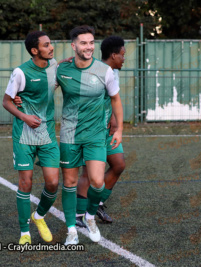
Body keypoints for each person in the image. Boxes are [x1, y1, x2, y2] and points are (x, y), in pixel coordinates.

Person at [57, 26, 124, 245]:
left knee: (97, 182)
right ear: (73, 46)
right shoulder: (61, 70)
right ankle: (71, 231)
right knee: (69, 182)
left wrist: (120, 129)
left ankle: (90, 216)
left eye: (92, 42)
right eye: (84, 43)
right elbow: (41, 88)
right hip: (70, 135)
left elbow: (115, 99)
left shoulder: (104, 70)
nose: (89, 47)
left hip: (96, 135)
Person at [2, 31, 59, 245]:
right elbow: (7, 101)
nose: (51, 47)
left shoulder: (55, 68)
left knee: (53, 183)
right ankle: (24, 232)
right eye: (46, 45)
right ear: (35, 50)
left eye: (50, 43)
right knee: (26, 183)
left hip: (47, 135)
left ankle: (39, 216)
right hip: (24, 136)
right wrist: (24, 116)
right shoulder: (20, 72)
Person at [75, 36, 126, 228]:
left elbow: (112, 99)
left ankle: (97, 204)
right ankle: (79, 215)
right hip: (90, 131)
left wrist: (113, 119)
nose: (124, 58)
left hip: (107, 130)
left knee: (119, 164)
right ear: (113, 55)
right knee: (87, 175)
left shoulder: (114, 72)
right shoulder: (93, 70)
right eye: (122, 55)